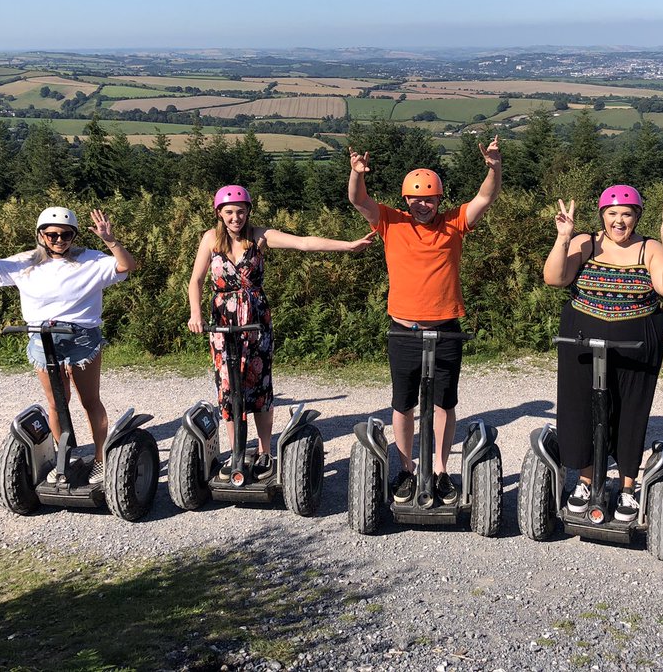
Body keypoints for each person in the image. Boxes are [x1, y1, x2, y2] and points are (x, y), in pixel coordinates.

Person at [347, 137, 501, 506]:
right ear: (406, 200)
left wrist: (493, 167)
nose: (423, 204)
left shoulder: (454, 222)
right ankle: (405, 468)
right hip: (404, 328)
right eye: (416, 198)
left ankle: (441, 470)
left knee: (445, 403)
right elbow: (358, 200)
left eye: (429, 198)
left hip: (446, 327)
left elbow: (485, 198)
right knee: (403, 403)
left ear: (439, 200)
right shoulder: (390, 221)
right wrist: (356, 175)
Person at [187, 185, 374, 474]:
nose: (235, 217)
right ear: (219, 214)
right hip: (223, 321)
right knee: (228, 387)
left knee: (259, 386)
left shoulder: (260, 236)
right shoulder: (210, 239)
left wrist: (348, 245)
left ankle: (264, 452)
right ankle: (235, 452)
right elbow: (196, 280)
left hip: (256, 319)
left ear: (248, 211)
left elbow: (304, 243)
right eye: (229, 212)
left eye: (240, 211)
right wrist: (195, 314)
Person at [542, 186, 663, 520]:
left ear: (637, 216)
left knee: (629, 410)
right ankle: (586, 480)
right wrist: (563, 237)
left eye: (627, 214)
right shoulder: (584, 242)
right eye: (612, 213)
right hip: (581, 339)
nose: (619, 221)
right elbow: (554, 278)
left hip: (636, 341)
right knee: (582, 407)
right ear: (602, 214)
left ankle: (627, 487)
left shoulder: (649, 247)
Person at [0, 206, 135, 485]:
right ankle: (66, 455)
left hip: (81, 338)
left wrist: (110, 240)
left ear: (73, 235)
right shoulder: (26, 262)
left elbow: (126, 266)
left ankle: (100, 458)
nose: (59, 240)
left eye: (65, 234)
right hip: (42, 338)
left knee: (89, 400)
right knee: (56, 402)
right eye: (52, 235)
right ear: (41, 235)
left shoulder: (90, 260)